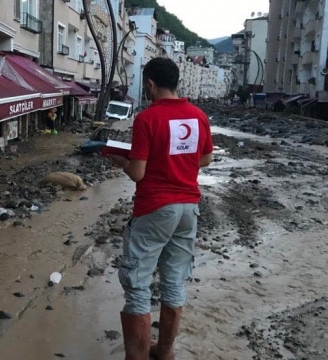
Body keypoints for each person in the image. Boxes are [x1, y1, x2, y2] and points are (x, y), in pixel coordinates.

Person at [107, 57, 213, 360]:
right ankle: (164, 351)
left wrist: (121, 161)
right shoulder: (197, 115)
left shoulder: (147, 118)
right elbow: (205, 159)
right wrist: (176, 162)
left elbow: (138, 173)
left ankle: (137, 356)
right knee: (174, 281)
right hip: (188, 208)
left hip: (155, 207)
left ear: (151, 84)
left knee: (138, 285)